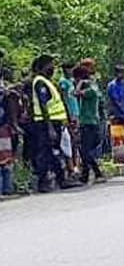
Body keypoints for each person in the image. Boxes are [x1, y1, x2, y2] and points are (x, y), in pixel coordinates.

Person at [29, 54, 77, 192]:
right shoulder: (40, 82)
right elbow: (44, 105)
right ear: (44, 66)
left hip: (54, 122)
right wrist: (49, 127)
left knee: (54, 151)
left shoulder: (47, 81)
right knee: (45, 152)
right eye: (51, 65)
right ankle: (43, 181)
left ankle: (61, 179)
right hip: (45, 123)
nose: (53, 68)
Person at [74, 63, 105, 183]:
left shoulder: (89, 89)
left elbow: (75, 93)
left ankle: (97, 173)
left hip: (88, 122)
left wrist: (80, 83)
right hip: (90, 121)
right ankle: (85, 175)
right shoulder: (94, 86)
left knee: (85, 151)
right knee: (84, 150)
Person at [0, 65, 19, 196]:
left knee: (6, 158)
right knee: (5, 159)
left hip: (3, 127)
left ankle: (7, 187)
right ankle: (5, 188)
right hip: (3, 126)